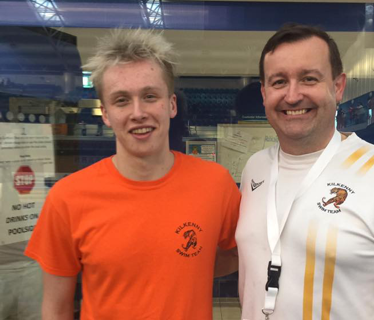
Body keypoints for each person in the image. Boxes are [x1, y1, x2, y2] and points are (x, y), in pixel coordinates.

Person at [25, 29, 240, 320]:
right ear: (106, 113)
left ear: (172, 105)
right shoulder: (67, 198)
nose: (138, 112)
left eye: (150, 96)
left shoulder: (216, 184)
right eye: (122, 100)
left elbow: (239, 254)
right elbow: (56, 308)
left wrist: (184, 266)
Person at [236, 23, 374, 320]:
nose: (292, 96)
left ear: (338, 86)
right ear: (264, 94)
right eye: (279, 82)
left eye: (308, 79)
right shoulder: (255, 167)